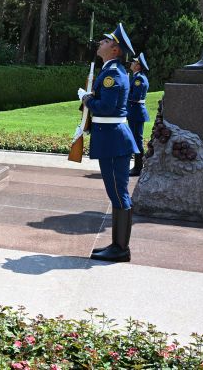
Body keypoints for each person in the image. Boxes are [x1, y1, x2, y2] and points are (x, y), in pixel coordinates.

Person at [78, 24, 139, 263]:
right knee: (116, 194)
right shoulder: (111, 71)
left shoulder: (112, 75)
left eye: (105, 42)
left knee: (119, 194)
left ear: (115, 49)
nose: (99, 44)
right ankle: (118, 245)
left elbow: (106, 107)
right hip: (111, 138)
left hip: (114, 141)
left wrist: (86, 98)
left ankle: (121, 248)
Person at [126, 53, 150, 177]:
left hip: (136, 113)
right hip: (135, 112)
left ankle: (138, 167)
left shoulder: (139, 79)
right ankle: (137, 166)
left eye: (134, 62)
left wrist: (123, 95)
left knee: (137, 140)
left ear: (138, 66)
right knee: (135, 139)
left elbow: (135, 97)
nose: (132, 63)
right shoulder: (137, 77)